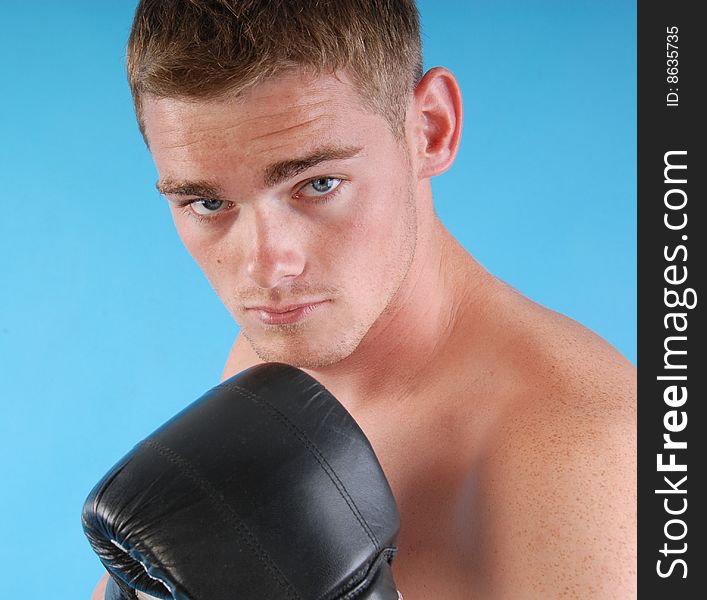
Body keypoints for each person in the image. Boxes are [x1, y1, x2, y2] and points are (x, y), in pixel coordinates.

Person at [92, 0, 636, 598]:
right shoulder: (276, 352)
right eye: (209, 204)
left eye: (317, 184)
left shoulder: (584, 453)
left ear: (430, 128)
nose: (267, 265)